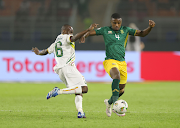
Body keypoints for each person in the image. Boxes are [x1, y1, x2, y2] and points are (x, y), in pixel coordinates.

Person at [79, 13, 155, 117]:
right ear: (111, 22)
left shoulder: (126, 30)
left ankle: (109, 102)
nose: (117, 25)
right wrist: (85, 34)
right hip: (110, 60)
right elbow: (91, 33)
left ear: (121, 22)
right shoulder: (105, 30)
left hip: (122, 62)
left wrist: (150, 27)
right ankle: (115, 104)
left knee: (121, 89)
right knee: (116, 75)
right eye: (114, 22)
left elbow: (142, 33)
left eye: (119, 23)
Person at [32, 23, 98, 118]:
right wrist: (88, 29)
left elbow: (46, 51)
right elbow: (74, 38)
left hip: (61, 70)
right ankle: (58, 91)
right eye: (70, 31)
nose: (71, 33)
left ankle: (80, 112)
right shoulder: (65, 37)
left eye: (72, 31)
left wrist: (38, 53)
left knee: (78, 91)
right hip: (68, 68)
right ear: (64, 31)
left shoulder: (56, 43)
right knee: (84, 89)